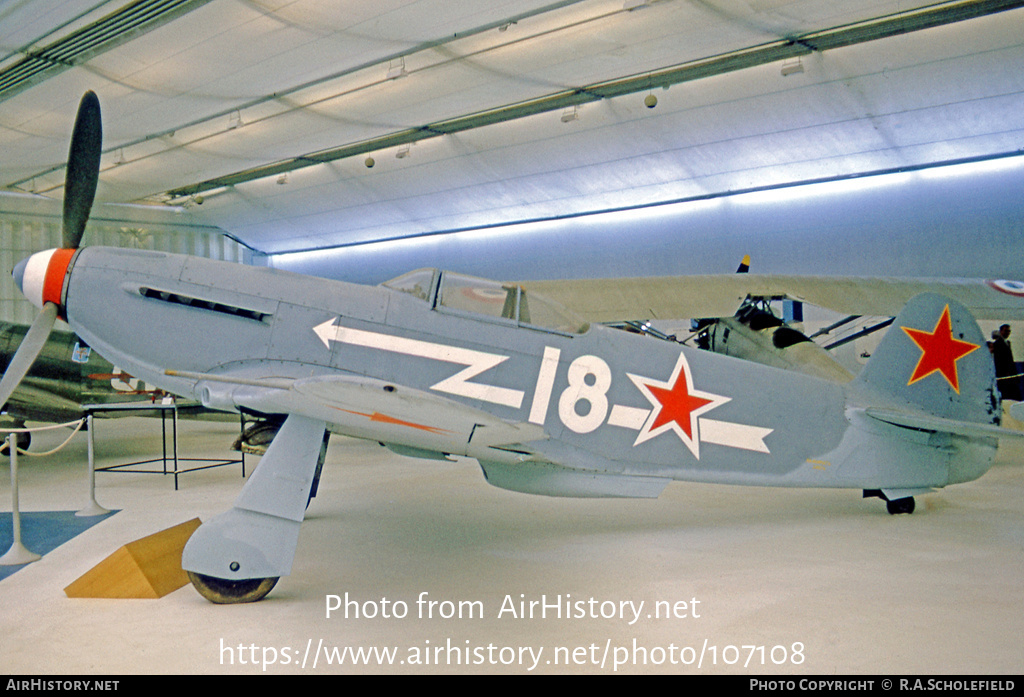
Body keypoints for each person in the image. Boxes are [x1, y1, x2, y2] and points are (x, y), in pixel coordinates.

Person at [992, 324, 1021, 401]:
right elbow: (998, 361)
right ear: (1001, 331)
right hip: (1005, 376)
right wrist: (1005, 373)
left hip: (1010, 375)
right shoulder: (998, 344)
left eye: (1008, 331)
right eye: (1005, 331)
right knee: (1008, 394)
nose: (1007, 333)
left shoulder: (1006, 343)